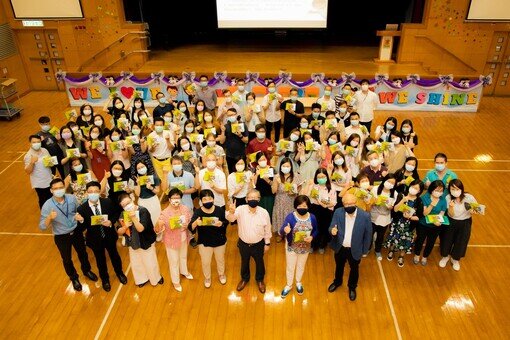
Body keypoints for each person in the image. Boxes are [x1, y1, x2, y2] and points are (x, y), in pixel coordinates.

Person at [39, 178, 98, 291]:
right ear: (51, 190)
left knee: (83, 253)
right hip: (61, 236)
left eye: (61, 187)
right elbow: (42, 226)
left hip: (76, 232)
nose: (59, 190)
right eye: (56, 189)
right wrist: (49, 218)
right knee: (67, 259)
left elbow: (78, 211)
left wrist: (80, 218)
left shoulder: (71, 198)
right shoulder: (47, 205)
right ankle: (74, 278)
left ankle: (87, 271)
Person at [76, 181, 127, 291]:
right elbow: (82, 228)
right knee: (100, 260)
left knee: (115, 256)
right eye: (90, 191)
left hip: (109, 236)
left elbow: (115, 214)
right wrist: (80, 221)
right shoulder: (82, 209)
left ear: (100, 192)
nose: (93, 193)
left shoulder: (107, 202)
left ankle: (120, 273)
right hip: (95, 240)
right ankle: (105, 279)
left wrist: (111, 222)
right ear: (86, 193)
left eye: (96, 191)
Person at [226, 189, 272, 294]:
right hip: (243, 244)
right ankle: (244, 279)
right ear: (246, 199)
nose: (253, 199)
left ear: (259, 199)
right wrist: (231, 212)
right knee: (244, 262)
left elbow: (267, 229)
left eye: (256, 197)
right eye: (250, 197)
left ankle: (260, 280)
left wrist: (267, 243)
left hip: (259, 244)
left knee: (260, 263)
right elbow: (231, 219)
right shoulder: (240, 209)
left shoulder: (264, 212)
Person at [328, 193, 372, 301]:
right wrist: (332, 231)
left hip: (355, 249)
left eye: (351, 203)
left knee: (354, 269)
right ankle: (337, 282)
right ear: (343, 204)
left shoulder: (365, 216)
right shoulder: (338, 212)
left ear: (356, 203)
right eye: (346, 204)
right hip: (340, 247)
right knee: (339, 266)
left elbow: (368, 235)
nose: (348, 206)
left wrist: (365, 250)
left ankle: (352, 287)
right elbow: (331, 226)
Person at [118, 193, 164, 287]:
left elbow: (141, 229)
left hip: (145, 241)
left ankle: (156, 278)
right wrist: (125, 226)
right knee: (136, 262)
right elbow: (119, 231)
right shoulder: (123, 214)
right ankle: (141, 279)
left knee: (150, 261)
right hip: (133, 242)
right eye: (124, 205)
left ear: (132, 199)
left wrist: (134, 218)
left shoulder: (143, 211)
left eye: (128, 203)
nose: (127, 206)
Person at [279, 195, 318, 298]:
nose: (302, 208)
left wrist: (312, 237)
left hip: (305, 247)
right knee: (290, 266)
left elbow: (315, 231)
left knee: (301, 265)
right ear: (295, 206)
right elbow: (281, 231)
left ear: (308, 207)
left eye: (304, 206)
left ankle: (298, 282)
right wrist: (285, 230)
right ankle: (289, 285)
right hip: (292, 246)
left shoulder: (312, 217)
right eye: (300, 206)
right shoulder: (290, 217)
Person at [155, 188, 193, 291]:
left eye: (178, 198)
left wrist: (186, 224)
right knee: (174, 261)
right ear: (169, 199)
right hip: (171, 241)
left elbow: (189, 219)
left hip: (183, 238)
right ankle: (176, 281)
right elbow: (158, 228)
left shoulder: (185, 208)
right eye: (174, 198)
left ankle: (184, 271)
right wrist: (159, 224)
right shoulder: (164, 213)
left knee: (183, 256)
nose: (176, 200)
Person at [189, 190, 229, 288]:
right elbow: (190, 227)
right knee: (205, 262)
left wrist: (222, 224)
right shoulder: (198, 212)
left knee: (220, 260)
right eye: (205, 199)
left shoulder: (219, 210)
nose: (207, 201)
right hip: (204, 242)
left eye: (210, 198)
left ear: (213, 199)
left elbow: (226, 222)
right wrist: (195, 223)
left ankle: (221, 274)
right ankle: (207, 277)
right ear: (201, 201)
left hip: (219, 240)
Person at [439, 179, 479, 271]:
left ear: (461, 188)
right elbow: (451, 214)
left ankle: (455, 259)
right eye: (452, 189)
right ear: (449, 190)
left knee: (461, 241)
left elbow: (476, 209)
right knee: (447, 239)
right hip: (451, 221)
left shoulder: (469, 197)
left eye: (457, 188)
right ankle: (445, 257)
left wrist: (473, 211)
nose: (455, 191)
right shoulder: (448, 198)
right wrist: (451, 207)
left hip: (465, 222)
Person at [385, 180, 424, 267]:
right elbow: (395, 209)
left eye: (416, 188)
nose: (413, 189)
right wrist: (403, 200)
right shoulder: (401, 195)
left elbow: (419, 217)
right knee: (394, 238)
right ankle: (391, 250)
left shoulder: (419, 201)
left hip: (409, 226)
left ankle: (401, 256)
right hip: (397, 223)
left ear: (419, 191)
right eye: (412, 186)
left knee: (405, 242)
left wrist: (410, 217)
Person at [414, 180, 448, 266]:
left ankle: (425, 256)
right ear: (432, 189)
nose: (439, 193)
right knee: (420, 240)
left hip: (436, 226)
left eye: (441, 191)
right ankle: (417, 255)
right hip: (423, 224)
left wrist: (438, 221)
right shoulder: (424, 198)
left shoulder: (443, 200)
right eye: (437, 190)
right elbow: (425, 213)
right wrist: (432, 205)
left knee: (431, 242)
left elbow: (442, 213)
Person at [271, 157, 302, 242]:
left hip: (292, 200)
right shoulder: (277, 176)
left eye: (287, 166)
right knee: (280, 216)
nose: (286, 168)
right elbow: (273, 191)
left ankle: (291, 233)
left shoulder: (296, 176)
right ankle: (280, 233)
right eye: (284, 166)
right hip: (280, 200)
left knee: (291, 216)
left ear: (291, 167)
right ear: (281, 167)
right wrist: (276, 182)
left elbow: (298, 189)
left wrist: (294, 190)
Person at [369, 175, 397, 260]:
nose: (390, 184)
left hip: (385, 217)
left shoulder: (394, 193)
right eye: (389, 181)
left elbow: (392, 207)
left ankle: (377, 250)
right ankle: (367, 248)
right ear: (384, 180)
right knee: (370, 234)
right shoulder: (375, 189)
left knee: (380, 236)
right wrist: (375, 202)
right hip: (374, 215)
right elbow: (370, 202)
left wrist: (390, 207)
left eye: (392, 183)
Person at [25, 135, 54, 209]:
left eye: (38, 142)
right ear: (30, 143)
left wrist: (51, 162)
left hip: (49, 179)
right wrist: (32, 163)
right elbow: (28, 171)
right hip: (40, 183)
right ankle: (45, 216)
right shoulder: (28, 156)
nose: (36, 143)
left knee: (52, 198)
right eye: (34, 142)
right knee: (43, 200)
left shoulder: (44, 150)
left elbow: (51, 162)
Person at [132, 161, 161, 227]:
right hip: (142, 201)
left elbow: (158, 191)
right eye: (138, 168)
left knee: (156, 218)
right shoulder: (136, 180)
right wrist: (138, 184)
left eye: (142, 167)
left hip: (153, 200)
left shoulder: (154, 177)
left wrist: (151, 188)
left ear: (146, 167)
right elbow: (137, 194)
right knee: (146, 220)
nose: (141, 169)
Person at [148, 117, 174, 183]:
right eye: (157, 125)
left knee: (168, 179)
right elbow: (151, 150)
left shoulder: (168, 133)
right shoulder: (150, 136)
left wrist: (168, 140)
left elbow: (171, 148)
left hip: (167, 160)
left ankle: (169, 193)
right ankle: (165, 193)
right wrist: (153, 147)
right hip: (156, 161)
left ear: (163, 125)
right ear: (154, 125)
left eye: (160, 125)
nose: (159, 126)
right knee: (161, 180)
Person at [224, 108, 249, 173]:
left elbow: (246, 141)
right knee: (231, 173)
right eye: (229, 115)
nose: (231, 116)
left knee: (242, 173)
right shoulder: (226, 127)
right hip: (230, 156)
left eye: (232, 115)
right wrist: (222, 131)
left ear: (236, 115)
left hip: (241, 155)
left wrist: (240, 135)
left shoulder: (242, 125)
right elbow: (222, 141)